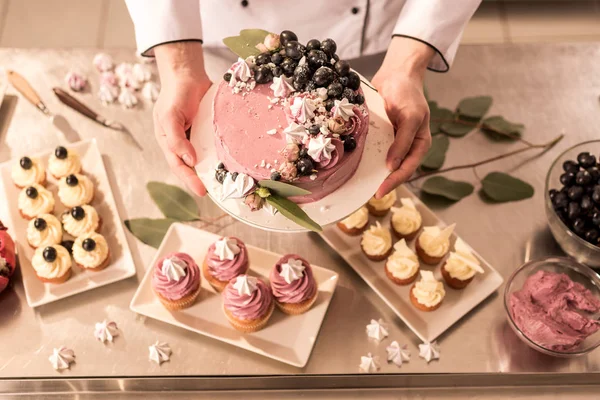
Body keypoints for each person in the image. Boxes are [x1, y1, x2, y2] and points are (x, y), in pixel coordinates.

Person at [126, 0, 481, 198]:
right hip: (237, 42)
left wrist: (408, 62)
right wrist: (180, 64)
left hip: (386, 37)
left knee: (378, 137)